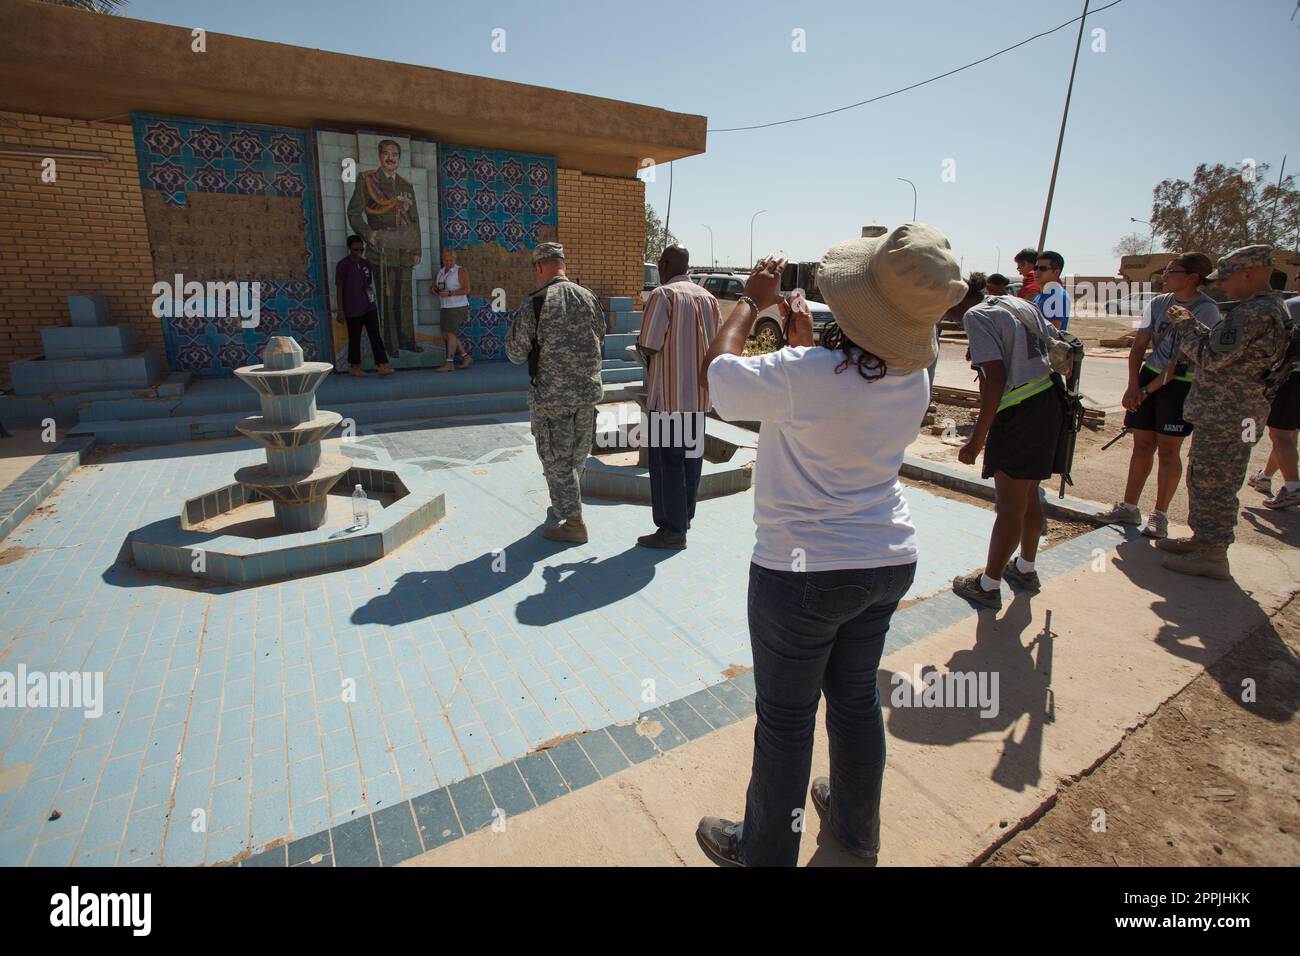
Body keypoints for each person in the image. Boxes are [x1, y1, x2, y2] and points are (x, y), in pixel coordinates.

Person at [693, 223, 967, 867]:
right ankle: (853, 828)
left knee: (786, 723)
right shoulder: (915, 375)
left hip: (802, 574)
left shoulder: (803, 372)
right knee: (855, 700)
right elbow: (844, 389)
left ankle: (764, 850)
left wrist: (749, 300)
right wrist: (804, 348)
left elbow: (719, 378)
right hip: (887, 559)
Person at [1156, 245, 1290, 579]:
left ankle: (1213, 554)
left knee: (1214, 481)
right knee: (1212, 477)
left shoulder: (1253, 313)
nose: (1221, 287)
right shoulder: (1270, 309)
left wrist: (1187, 325)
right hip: (1240, 412)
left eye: (1226, 278)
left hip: (1228, 414)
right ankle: (1204, 540)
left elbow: (1213, 357)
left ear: (1248, 273)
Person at [950, 277, 1065, 610]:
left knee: (1009, 506)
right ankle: (1025, 568)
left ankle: (988, 585)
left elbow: (996, 379)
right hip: (1048, 400)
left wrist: (976, 440)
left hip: (1020, 411)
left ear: (954, 301)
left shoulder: (974, 316)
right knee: (1028, 494)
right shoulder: (1014, 302)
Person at [1095, 253, 1218, 538]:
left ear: (1192, 277)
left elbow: (1179, 363)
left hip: (1179, 384)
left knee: (1168, 450)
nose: (1165, 275)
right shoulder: (1159, 303)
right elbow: (1139, 346)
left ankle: (1159, 515)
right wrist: (1133, 385)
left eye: (1172, 271)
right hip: (1149, 377)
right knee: (1142, 445)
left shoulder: (1206, 310)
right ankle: (1129, 506)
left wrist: (1145, 391)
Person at [505, 243, 605, 544]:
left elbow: (514, 352)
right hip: (586, 394)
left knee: (555, 459)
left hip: (552, 400)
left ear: (539, 267)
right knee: (575, 456)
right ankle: (565, 503)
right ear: (563, 264)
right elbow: (600, 334)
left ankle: (574, 523)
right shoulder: (588, 297)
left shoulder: (536, 303)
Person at [635, 243, 721, 549]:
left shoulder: (663, 295)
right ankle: (682, 521)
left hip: (668, 398)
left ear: (668, 263)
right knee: (690, 462)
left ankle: (671, 531)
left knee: (666, 464)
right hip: (698, 399)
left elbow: (648, 343)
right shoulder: (709, 299)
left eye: (660, 261)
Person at [347, 138, 421, 355]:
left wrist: (417, 249)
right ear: (380, 156)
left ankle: (407, 340)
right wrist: (368, 233)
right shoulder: (368, 180)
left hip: (405, 251)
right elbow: (353, 212)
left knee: (405, 299)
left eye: (395, 154)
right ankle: (392, 345)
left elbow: (414, 219)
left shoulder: (406, 185)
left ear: (399, 158)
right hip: (383, 251)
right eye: (387, 154)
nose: (391, 158)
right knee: (387, 300)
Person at [1247, 269, 1300, 508]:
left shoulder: (1290, 307)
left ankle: (1293, 486)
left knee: (1280, 434)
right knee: (1287, 434)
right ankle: (1265, 477)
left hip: (1291, 378)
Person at [334, 234, 394, 378]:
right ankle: (355, 366)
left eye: (361, 249)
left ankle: (382, 365)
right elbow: (339, 288)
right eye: (356, 249)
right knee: (355, 338)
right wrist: (340, 310)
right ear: (349, 249)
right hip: (352, 308)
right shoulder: (342, 265)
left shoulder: (366, 263)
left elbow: (368, 283)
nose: (359, 252)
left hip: (369, 306)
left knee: (375, 335)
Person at [433, 248, 473, 372]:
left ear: (455, 260)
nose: (448, 262)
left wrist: (450, 293)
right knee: (446, 335)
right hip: (445, 306)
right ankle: (466, 357)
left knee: (450, 334)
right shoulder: (440, 272)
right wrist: (435, 291)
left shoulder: (460, 271)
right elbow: (433, 287)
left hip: (457, 307)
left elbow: (467, 289)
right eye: (446, 260)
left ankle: (449, 362)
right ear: (442, 260)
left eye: (451, 260)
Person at [1033, 250, 1070, 331]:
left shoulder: (1058, 296)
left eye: (1042, 268)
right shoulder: (1039, 297)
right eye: (1035, 268)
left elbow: (1052, 333)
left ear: (1056, 272)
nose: (1036, 272)